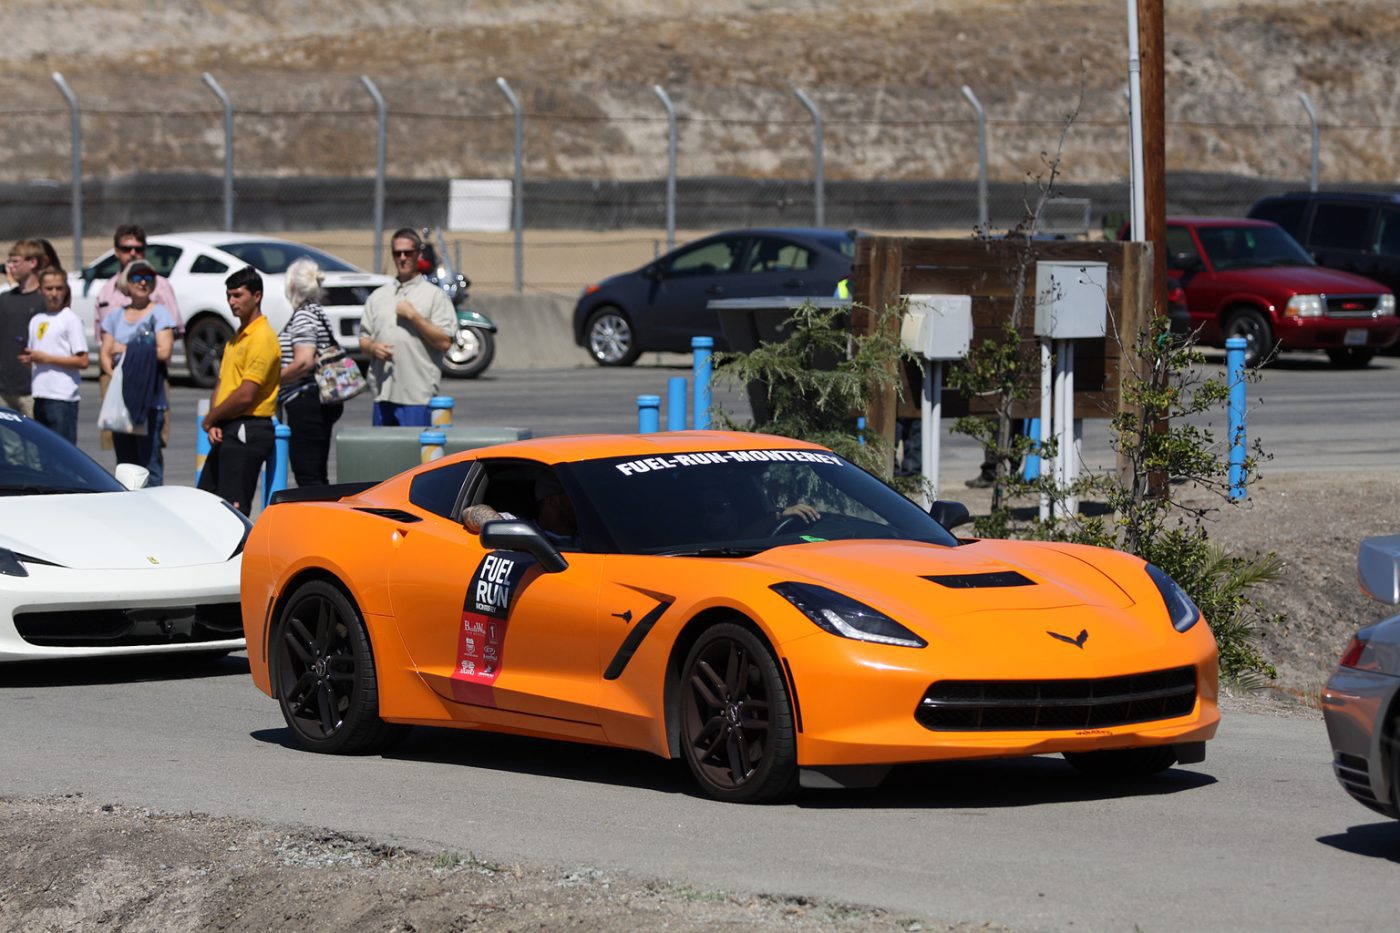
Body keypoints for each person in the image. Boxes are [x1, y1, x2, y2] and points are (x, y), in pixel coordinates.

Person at [198, 266, 280, 515]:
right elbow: (222, 383)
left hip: (249, 427)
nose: (232, 302)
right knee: (206, 501)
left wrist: (212, 417)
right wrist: (215, 421)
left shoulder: (262, 337)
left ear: (257, 296)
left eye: (237, 295)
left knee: (233, 510)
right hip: (228, 426)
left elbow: (246, 394)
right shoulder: (237, 337)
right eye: (229, 296)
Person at [358, 227, 455, 426]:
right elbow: (363, 341)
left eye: (408, 253)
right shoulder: (378, 297)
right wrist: (373, 348)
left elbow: (444, 342)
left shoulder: (435, 296)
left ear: (418, 254)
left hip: (417, 396)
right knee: (383, 446)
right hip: (383, 395)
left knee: (416, 447)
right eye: (397, 253)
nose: (402, 258)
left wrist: (413, 316)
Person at [100, 260, 175, 484]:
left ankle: (154, 501)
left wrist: (125, 349)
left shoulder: (160, 314)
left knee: (149, 462)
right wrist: (118, 379)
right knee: (125, 464)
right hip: (123, 398)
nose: (143, 282)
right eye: (137, 277)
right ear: (127, 282)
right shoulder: (115, 316)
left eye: (148, 278)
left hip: (150, 399)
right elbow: (105, 353)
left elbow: (164, 351)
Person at [277, 257, 343, 487]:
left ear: (291, 285)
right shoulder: (317, 311)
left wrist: (273, 382)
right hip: (320, 399)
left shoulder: (304, 315)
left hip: (306, 400)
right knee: (317, 472)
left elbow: (304, 362)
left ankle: (318, 511)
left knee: (308, 475)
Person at [20, 267, 88, 443]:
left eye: (59, 288)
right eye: (49, 289)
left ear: (66, 290)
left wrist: (46, 358)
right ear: (40, 290)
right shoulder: (36, 320)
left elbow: (82, 360)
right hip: (40, 393)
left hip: (62, 396)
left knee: (62, 451)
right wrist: (30, 359)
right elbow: (37, 356)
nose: (54, 294)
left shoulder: (70, 319)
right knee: (43, 451)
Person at [92, 224, 182, 343]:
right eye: (126, 249)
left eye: (138, 249)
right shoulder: (106, 291)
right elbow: (101, 337)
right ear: (117, 251)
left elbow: (174, 330)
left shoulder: (161, 286)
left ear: (144, 251)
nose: (133, 253)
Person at [0, 240, 46, 416]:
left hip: (31, 389)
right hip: (4, 389)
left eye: (15, 261)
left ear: (32, 262)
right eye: (9, 262)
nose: (10, 266)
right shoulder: (5, 299)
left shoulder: (44, 300)